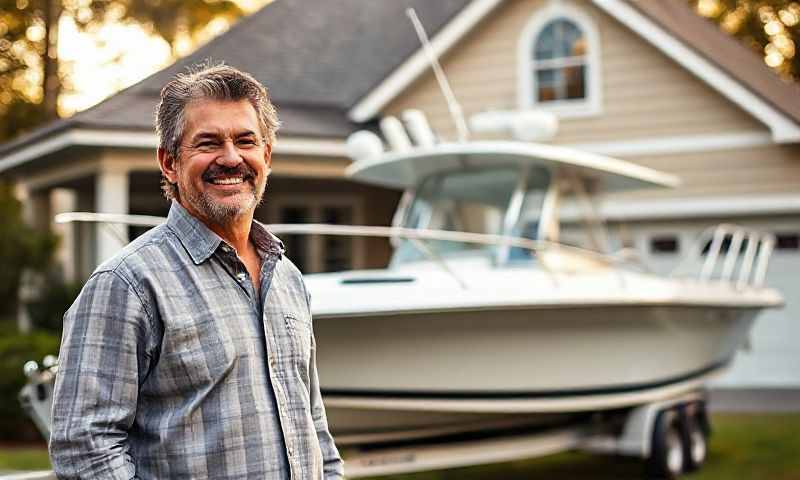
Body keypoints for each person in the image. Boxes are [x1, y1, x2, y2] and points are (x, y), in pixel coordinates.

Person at [49, 64, 344, 479]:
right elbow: (84, 447)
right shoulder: (128, 285)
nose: (230, 158)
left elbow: (313, 426)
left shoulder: (288, 278)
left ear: (267, 156)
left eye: (246, 141)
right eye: (208, 143)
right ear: (169, 162)